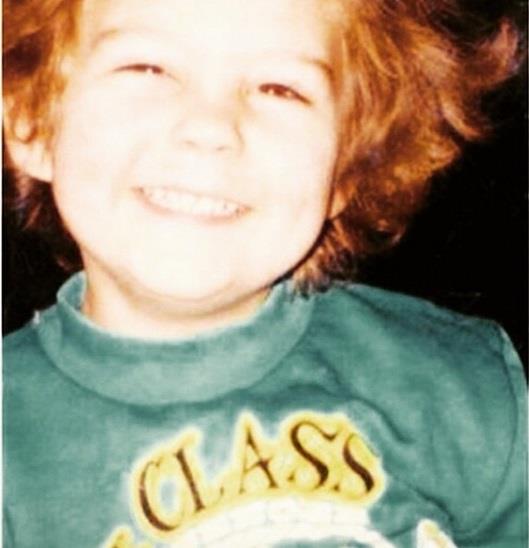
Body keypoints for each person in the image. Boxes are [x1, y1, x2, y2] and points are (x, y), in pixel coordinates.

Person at [3, 0, 526, 546]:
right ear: (31, 123)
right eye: (149, 69)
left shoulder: (462, 391)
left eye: (280, 89)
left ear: (348, 166)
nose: (210, 128)